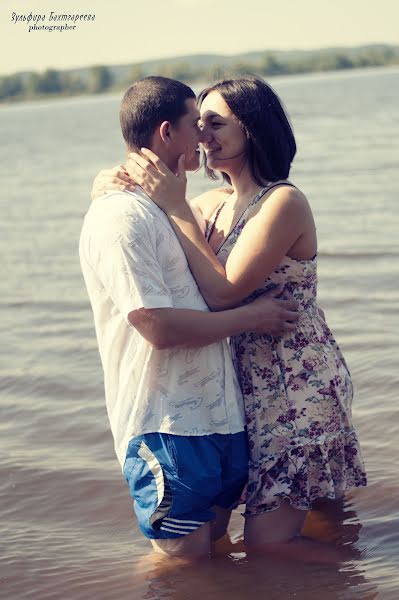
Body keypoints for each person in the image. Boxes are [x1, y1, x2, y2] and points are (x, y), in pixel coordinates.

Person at [92, 75, 367, 556]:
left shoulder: (283, 201)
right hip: (240, 389)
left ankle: (363, 576)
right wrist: (106, 183)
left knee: (271, 546)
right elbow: (148, 225)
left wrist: (175, 205)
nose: (202, 137)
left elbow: (223, 294)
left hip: (292, 383)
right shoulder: (208, 205)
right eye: (198, 124)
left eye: (215, 124)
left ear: (253, 129)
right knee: (309, 516)